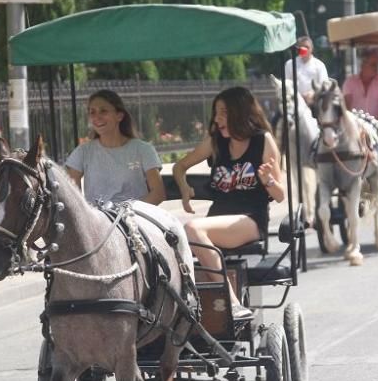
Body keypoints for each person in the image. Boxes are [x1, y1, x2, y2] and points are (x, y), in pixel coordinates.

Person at [172, 86, 285, 317]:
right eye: (216, 113)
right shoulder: (216, 142)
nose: (217, 119)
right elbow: (179, 166)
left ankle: (232, 303)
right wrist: (184, 189)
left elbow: (281, 195)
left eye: (222, 112)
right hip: (218, 221)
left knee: (191, 228)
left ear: (239, 112)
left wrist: (268, 180)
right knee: (174, 236)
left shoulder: (262, 141)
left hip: (250, 219)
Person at [65, 89, 165, 205]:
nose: (97, 117)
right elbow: (73, 198)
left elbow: (158, 194)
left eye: (103, 111)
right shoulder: (82, 152)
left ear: (119, 116)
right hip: (97, 221)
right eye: (92, 112)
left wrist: (125, 213)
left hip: (134, 219)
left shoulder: (144, 150)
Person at [342, 49, 378, 119]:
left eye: (377, 65)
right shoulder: (350, 82)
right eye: (373, 65)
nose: (376, 68)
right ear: (363, 65)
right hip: (357, 123)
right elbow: (347, 103)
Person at [283, 36, 329, 106]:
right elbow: (286, 85)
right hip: (294, 104)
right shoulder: (289, 64)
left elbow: (324, 85)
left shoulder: (320, 65)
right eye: (301, 47)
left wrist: (313, 93)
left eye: (307, 47)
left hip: (314, 103)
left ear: (311, 48)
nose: (304, 49)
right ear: (298, 49)